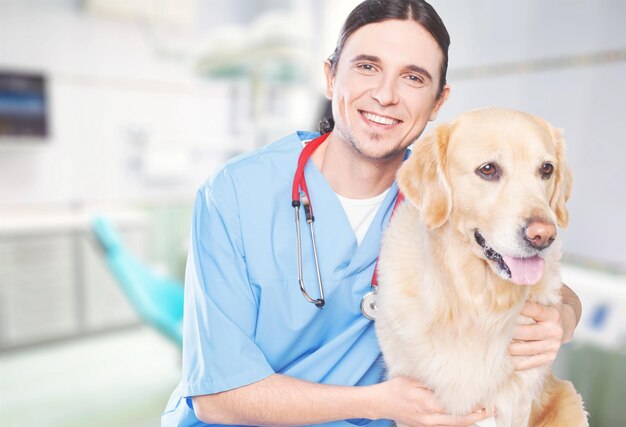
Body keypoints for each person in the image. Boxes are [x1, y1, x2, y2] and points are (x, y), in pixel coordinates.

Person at [162, 1, 582, 426]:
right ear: (329, 77)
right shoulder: (234, 195)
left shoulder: (441, 194)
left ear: (439, 100)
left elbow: (525, 279)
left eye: (413, 77)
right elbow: (216, 397)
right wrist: (381, 403)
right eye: (367, 67)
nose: (385, 94)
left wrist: (563, 317)